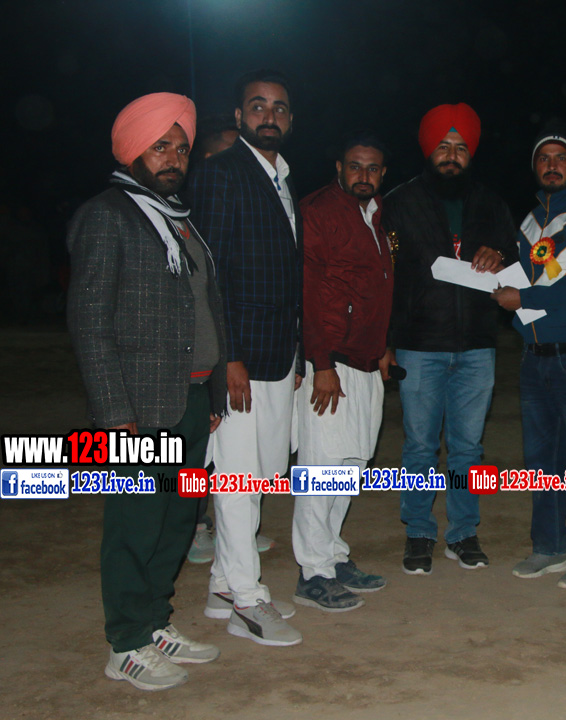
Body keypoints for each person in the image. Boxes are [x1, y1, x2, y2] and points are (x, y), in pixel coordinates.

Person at [68, 92, 224, 690]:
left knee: (179, 520)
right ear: (132, 150)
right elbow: (90, 324)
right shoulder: (108, 215)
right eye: (161, 146)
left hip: (189, 399)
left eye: (181, 147)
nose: (174, 157)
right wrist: (113, 413)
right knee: (134, 525)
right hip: (135, 408)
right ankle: (126, 642)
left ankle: (155, 620)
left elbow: (205, 311)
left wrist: (211, 394)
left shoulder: (178, 219)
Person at [187, 69, 303, 646]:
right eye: (257, 106)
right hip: (240, 359)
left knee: (257, 475)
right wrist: (228, 356)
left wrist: (298, 350)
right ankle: (247, 601)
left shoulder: (282, 178)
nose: (268, 116)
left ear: (290, 119)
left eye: (278, 108)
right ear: (239, 116)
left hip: (277, 353)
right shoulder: (221, 173)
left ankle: (220, 585)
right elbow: (210, 274)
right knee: (236, 477)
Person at [382, 103, 517, 575]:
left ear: (470, 154)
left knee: (468, 449)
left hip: (478, 345)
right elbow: (384, 276)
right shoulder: (399, 202)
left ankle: (463, 533)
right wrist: (386, 341)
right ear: (428, 149)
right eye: (443, 145)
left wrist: (501, 254)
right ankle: (419, 531)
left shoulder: (491, 202)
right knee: (420, 447)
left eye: (460, 147)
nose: (452, 155)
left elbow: (515, 258)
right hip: (419, 345)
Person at [493, 120, 566, 590]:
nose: (552, 165)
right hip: (535, 354)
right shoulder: (528, 222)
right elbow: (527, 278)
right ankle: (548, 545)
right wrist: (497, 277)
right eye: (544, 158)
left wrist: (523, 299)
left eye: (561, 158)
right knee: (540, 461)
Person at [292, 130, 394, 610]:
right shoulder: (318, 211)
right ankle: (312, 571)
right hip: (331, 361)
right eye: (355, 166)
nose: (364, 175)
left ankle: (332, 555)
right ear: (339, 167)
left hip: (366, 362)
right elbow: (308, 293)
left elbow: (376, 288)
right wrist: (321, 363)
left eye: (372, 168)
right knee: (320, 468)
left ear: (383, 173)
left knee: (350, 467)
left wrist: (383, 345)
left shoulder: (375, 214)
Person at [186, 111, 275, 565]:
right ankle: (199, 527)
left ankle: (229, 533)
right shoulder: (195, 209)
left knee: (234, 456)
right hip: (203, 353)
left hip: (230, 348)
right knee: (206, 452)